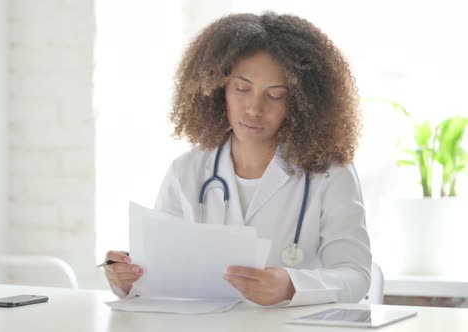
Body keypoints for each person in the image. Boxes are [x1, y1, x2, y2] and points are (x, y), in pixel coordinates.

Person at [103, 11, 371, 306]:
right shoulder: (187, 171)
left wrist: (291, 286)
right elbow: (160, 274)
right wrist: (127, 279)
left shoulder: (329, 173)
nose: (254, 109)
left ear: (300, 102)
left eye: (275, 95)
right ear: (219, 90)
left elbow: (356, 276)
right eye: (242, 89)